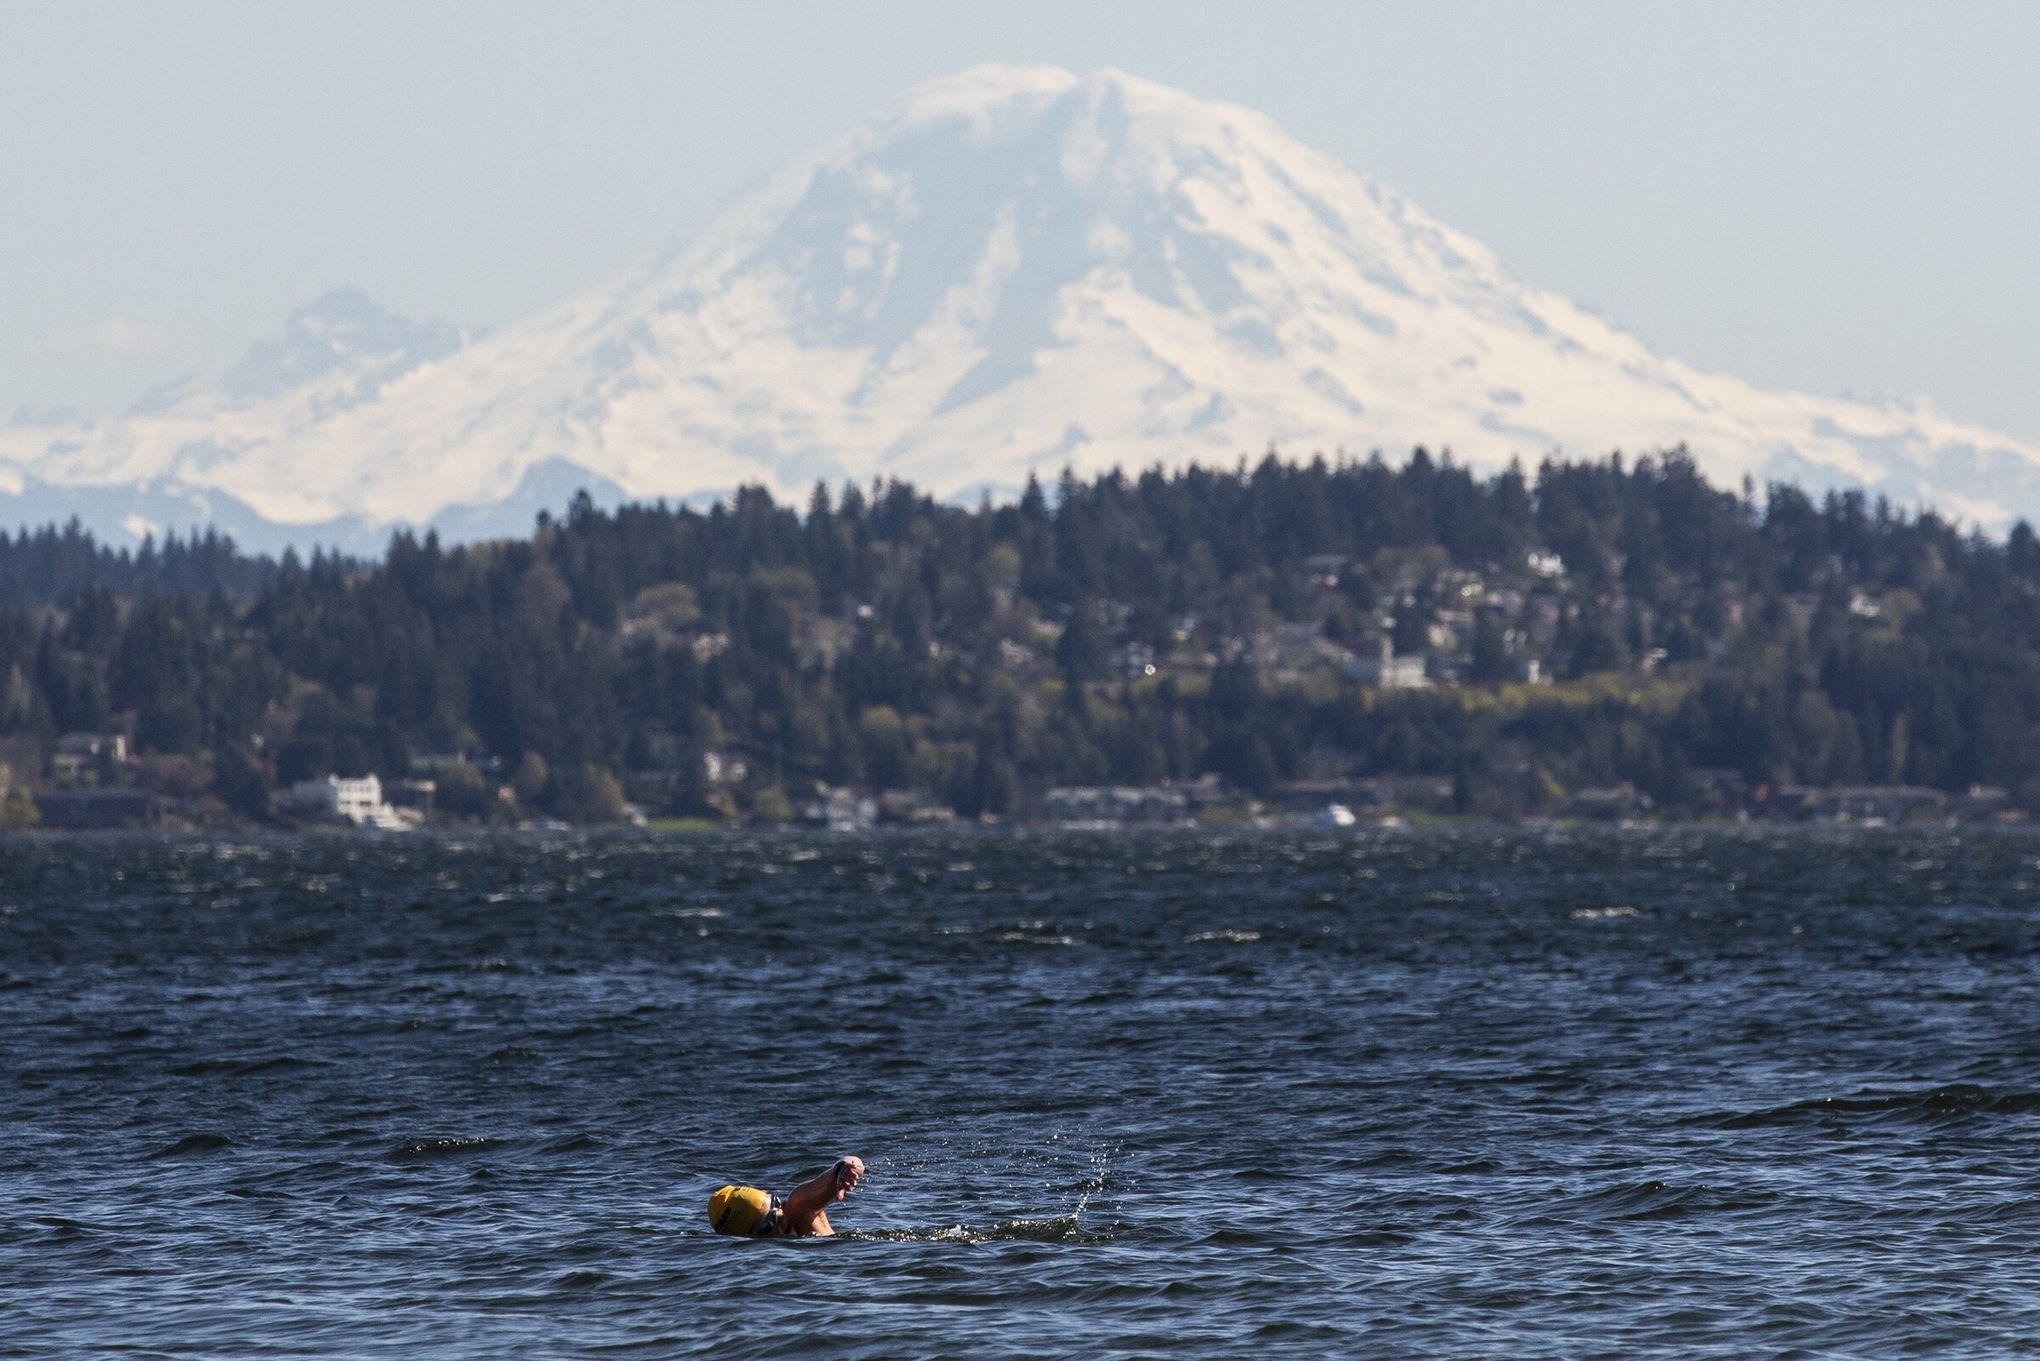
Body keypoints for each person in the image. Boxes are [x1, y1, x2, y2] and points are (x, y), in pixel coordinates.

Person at [708, 1155, 865, 1238]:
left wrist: (844, 1169)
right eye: (769, 1221)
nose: (782, 1213)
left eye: (776, 1203)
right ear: (751, 1236)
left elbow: (847, 1164)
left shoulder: (798, 1211)